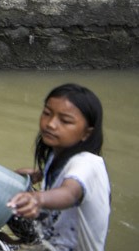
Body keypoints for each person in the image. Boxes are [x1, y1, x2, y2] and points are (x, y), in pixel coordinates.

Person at [7, 83, 110, 251]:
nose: (51, 124)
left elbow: (70, 192)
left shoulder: (88, 163)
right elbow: (66, 176)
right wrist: (39, 174)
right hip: (49, 240)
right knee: (6, 191)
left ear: (87, 133)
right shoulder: (58, 154)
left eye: (65, 121)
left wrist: (37, 199)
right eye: (47, 113)